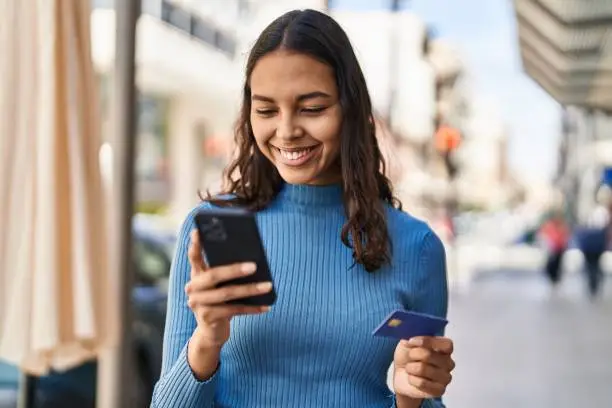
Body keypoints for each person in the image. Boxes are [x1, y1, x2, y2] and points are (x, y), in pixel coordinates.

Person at [151, 9, 454, 408]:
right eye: (266, 110)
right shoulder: (217, 228)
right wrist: (205, 341)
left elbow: (422, 397)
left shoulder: (417, 247)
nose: (287, 130)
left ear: (350, 109)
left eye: (311, 108)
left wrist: (411, 396)